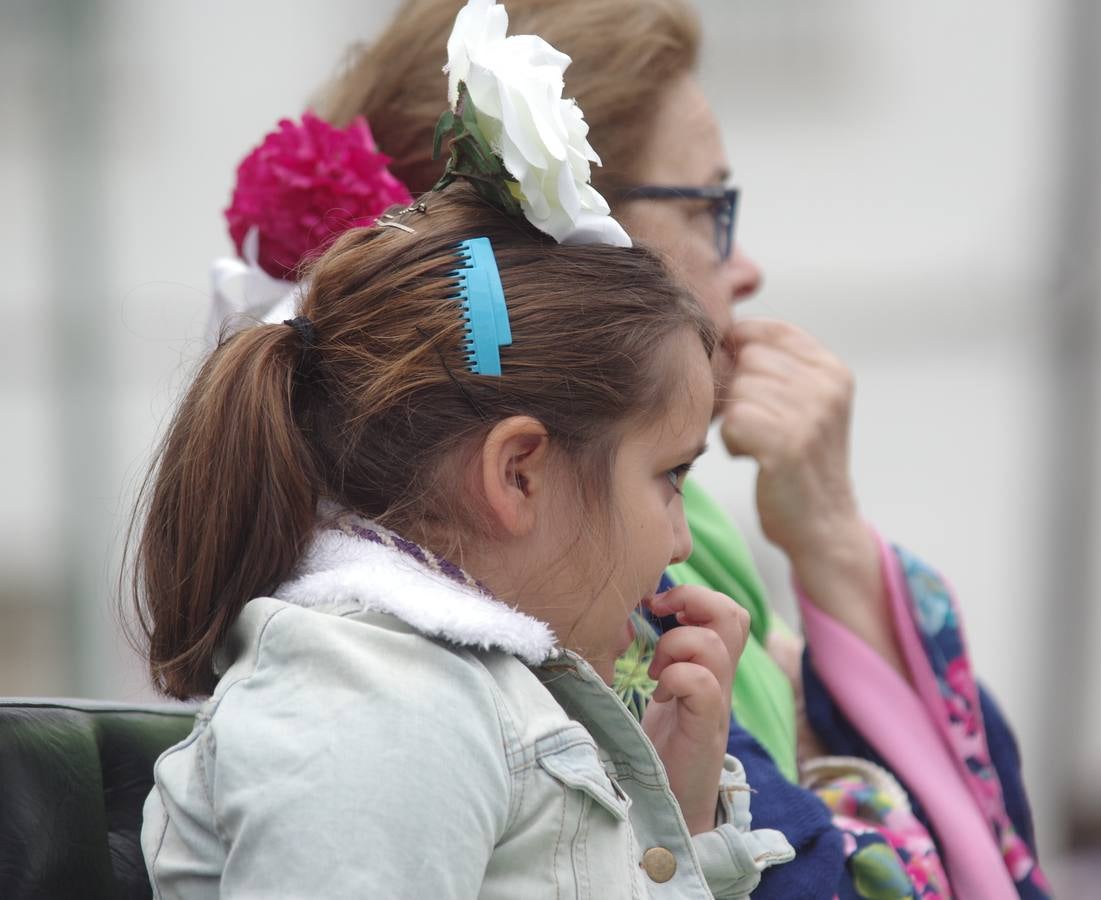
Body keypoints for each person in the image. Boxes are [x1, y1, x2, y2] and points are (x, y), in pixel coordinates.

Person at [209, 1, 1055, 896]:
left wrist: (831, 540)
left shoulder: (600, 551)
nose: (749, 263)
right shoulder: (506, 622)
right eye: (710, 206)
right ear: (562, 248)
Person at [134, 85, 802, 893]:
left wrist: (681, 817)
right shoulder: (386, 710)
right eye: (670, 477)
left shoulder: (438, 696)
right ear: (518, 472)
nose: (682, 540)